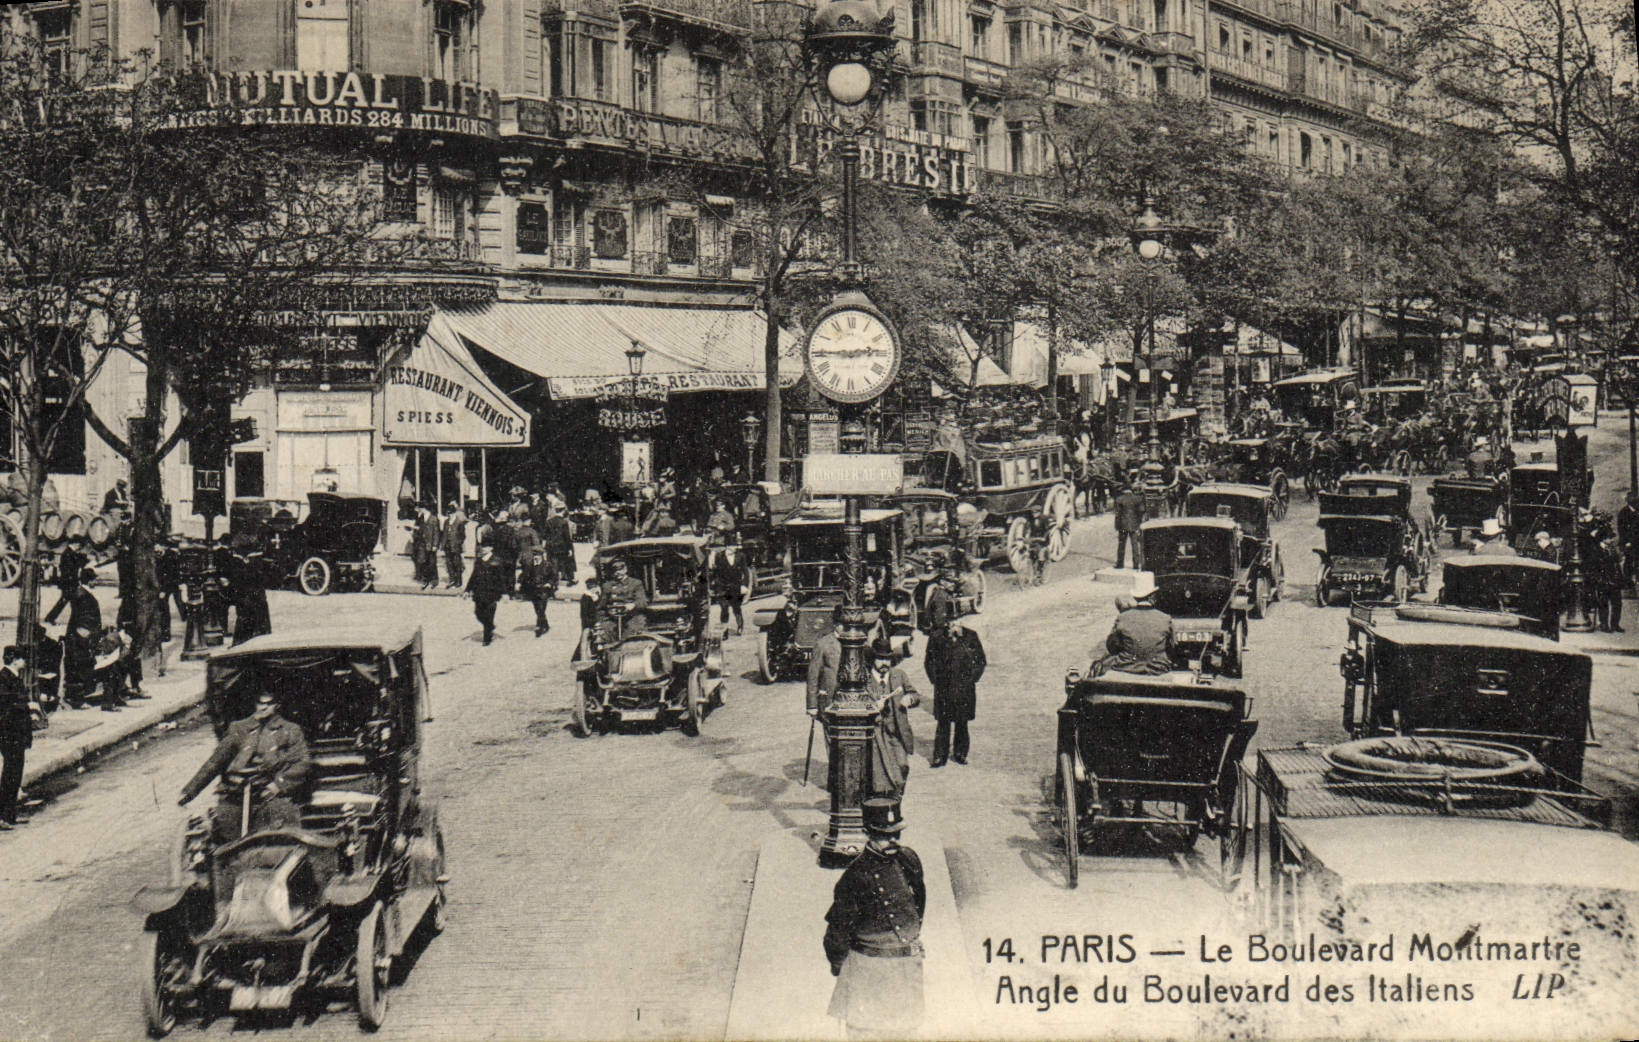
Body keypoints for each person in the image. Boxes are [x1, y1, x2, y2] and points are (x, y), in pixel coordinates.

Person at [823, 796, 926, 1040]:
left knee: (907, 1032)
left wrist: (910, 938)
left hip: (904, 966)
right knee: (868, 1032)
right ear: (868, 833)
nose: (892, 841)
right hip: (869, 971)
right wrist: (839, 965)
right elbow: (837, 931)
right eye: (883, 836)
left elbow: (918, 902)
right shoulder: (855, 875)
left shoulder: (908, 859)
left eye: (896, 834)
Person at [178, 691, 311, 843]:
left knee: (279, 833)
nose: (263, 708)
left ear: (277, 706)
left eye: (268, 704)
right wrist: (189, 791)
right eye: (260, 703)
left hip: (269, 794)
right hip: (236, 794)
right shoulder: (239, 728)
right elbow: (215, 762)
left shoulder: (290, 730)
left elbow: (302, 762)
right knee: (223, 837)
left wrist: (277, 785)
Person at [924, 611, 986, 768]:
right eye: (950, 621)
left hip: (964, 689)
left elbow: (981, 661)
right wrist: (935, 681)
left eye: (957, 620)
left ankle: (960, 753)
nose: (953, 624)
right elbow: (929, 661)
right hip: (943, 689)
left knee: (962, 723)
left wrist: (971, 679)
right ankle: (939, 756)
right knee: (943, 724)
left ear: (962, 620)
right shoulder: (936, 638)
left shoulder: (971, 636)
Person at [865, 634, 919, 800]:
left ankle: (896, 798)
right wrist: (874, 707)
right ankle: (885, 804)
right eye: (880, 659)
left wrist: (909, 699)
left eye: (887, 659)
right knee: (879, 773)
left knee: (902, 766)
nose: (884, 664)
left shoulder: (899, 675)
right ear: (873, 659)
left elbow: (914, 694)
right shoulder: (864, 679)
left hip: (896, 733)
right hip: (875, 735)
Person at [1093, 572, 1174, 676]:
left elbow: (1112, 646)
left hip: (1127, 667)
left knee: (1098, 665)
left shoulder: (1123, 617)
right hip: (1158, 669)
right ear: (1153, 596)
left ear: (1135, 597)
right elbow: (1171, 648)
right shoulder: (1165, 618)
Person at [45, 569, 102, 709]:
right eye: (94, 579)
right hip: (81, 638)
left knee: (76, 666)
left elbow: (62, 603)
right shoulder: (84, 596)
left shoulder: (79, 593)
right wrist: (86, 636)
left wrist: (50, 618)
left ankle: (76, 697)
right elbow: (85, 618)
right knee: (79, 667)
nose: (96, 582)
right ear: (89, 580)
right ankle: (76, 699)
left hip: (76, 636)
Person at [0, 645, 36, 829]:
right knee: (10, 775)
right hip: (9, 734)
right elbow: (8, 704)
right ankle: (3, 816)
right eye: (22, 658)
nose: (25, 662)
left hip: (16, 734)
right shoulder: (4, 678)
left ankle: (9, 815)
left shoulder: (12, 677)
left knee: (14, 774)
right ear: (14, 660)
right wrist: (29, 705)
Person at [465, 543, 509, 645]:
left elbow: (501, 579)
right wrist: (467, 590)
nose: (482, 549)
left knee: (489, 614)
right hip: (479, 592)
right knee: (478, 613)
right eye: (482, 547)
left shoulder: (496, 561)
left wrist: (504, 593)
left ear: (490, 549)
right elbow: (473, 577)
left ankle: (487, 638)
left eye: (485, 547)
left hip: (491, 593)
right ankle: (490, 626)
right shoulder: (479, 561)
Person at [806, 605, 846, 716]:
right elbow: (813, 675)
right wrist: (812, 705)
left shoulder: (858, 642)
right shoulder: (823, 644)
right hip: (830, 699)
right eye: (842, 624)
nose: (846, 628)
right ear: (835, 625)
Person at [597, 557, 648, 639]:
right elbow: (601, 607)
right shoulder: (607, 586)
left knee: (634, 631)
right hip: (612, 618)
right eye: (615, 571)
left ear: (625, 569)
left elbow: (642, 602)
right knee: (604, 631)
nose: (617, 573)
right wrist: (603, 618)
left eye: (620, 570)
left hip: (631, 617)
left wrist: (633, 605)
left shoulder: (635, 583)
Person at [519, 547, 558, 638]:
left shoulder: (548, 565)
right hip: (533, 590)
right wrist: (520, 582)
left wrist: (549, 583)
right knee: (537, 608)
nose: (536, 557)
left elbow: (554, 576)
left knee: (541, 608)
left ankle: (540, 627)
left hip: (544, 590)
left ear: (541, 556)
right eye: (534, 555)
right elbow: (524, 575)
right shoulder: (530, 565)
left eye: (537, 555)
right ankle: (545, 624)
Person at [711, 544, 750, 636]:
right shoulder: (719, 556)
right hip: (723, 587)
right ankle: (724, 631)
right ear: (727, 546)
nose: (735, 548)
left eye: (736, 546)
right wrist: (717, 586)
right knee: (724, 608)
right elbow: (716, 573)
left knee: (736, 607)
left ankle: (740, 627)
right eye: (733, 546)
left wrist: (744, 585)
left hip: (736, 586)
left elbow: (745, 571)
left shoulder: (741, 556)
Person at [538, 503, 576, 590]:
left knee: (553, 563)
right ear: (563, 510)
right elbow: (566, 536)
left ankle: (553, 582)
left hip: (551, 546)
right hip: (561, 546)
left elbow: (545, 535)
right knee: (562, 562)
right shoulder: (564, 522)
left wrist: (544, 547)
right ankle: (566, 578)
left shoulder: (549, 521)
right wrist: (570, 548)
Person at [1113, 484, 1144, 570]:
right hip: (1134, 525)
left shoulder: (1119, 499)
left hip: (1122, 525)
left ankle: (1120, 563)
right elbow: (1141, 511)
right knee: (1134, 544)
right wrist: (1138, 522)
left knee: (1121, 545)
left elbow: (1117, 514)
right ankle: (1136, 564)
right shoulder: (1136, 499)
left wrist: (1117, 526)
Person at [441, 500, 467, 589]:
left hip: (455, 546)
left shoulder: (459, 522)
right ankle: (452, 579)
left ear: (454, 513)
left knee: (457, 564)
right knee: (449, 563)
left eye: (451, 513)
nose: (449, 515)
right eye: (448, 514)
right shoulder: (446, 522)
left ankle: (458, 581)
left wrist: (458, 543)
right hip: (447, 546)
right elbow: (444, 533)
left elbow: (463, 535)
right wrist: (443, 544)